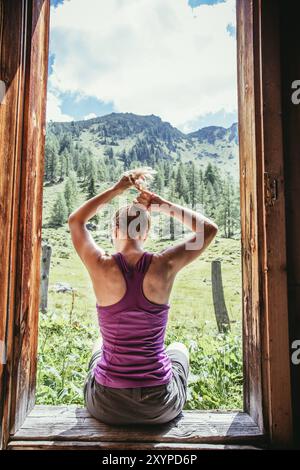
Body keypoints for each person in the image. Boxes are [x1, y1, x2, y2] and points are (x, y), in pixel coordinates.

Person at [68, 168, 218, 425]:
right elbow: (208, 229)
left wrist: (117, 189)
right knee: (178, 349)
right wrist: (163, 205)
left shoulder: (100, 265)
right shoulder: (165, 264)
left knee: (99, 347)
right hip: (158, 405)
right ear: (145, 234)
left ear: (114, 231)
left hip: (107, 406)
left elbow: (76, 221)